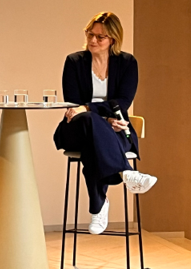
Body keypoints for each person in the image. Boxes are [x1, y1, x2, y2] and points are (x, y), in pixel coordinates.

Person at [53, 12, 157, 235]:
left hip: (115, 129)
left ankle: (98, 206)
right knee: (89, 122)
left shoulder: (128, 63)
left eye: (100, 37)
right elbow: (74, 104)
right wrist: (97, 113)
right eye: (90, 34)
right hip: (76, 128)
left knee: (94, 142)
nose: (93, 41)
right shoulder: (74, 62)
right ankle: (124, 172)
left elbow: (123, 102)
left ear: (113, 39)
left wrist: (92, 109)